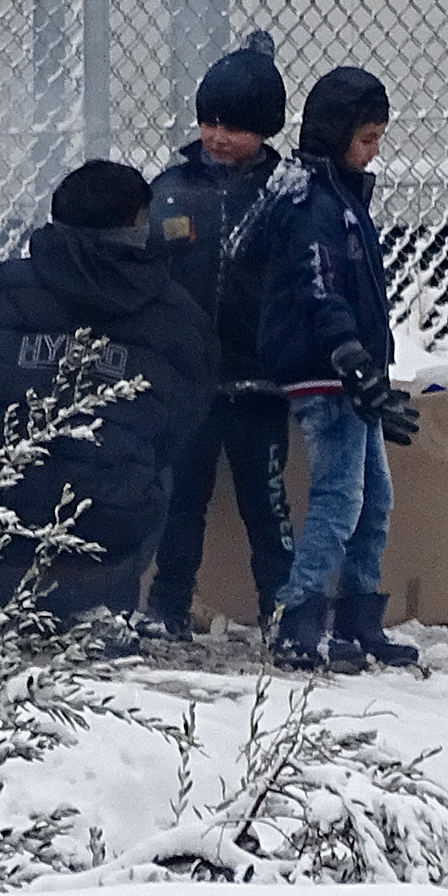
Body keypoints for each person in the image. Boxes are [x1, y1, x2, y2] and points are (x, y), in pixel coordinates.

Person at [0, 161, 213, 619]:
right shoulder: (180, 322)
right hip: (105, 555)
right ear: (139, 224)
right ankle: (110, 611)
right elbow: (184, 425)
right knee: (156, 465)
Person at [237, 66, 422, 672]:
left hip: (349, 372)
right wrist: (351, 359)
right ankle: (298, 617)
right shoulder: (313, 204)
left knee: (374, 500)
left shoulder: (339, 196)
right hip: (326, 371)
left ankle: (357, 618)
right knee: (340, 499)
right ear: (337, 133)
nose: (373, 153)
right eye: (367, 139)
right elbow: (321, 290)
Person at [139, 35, 294, 636]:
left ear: (267, 129)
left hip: (260, 380)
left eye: (236, 126)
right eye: (210, 122)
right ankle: (168, 606)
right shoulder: (171, 190)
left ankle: (281, 609)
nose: (219, 137)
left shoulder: (287, 192)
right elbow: (147, 271)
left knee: (267, 504)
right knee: (181, 499)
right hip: (190, 379)